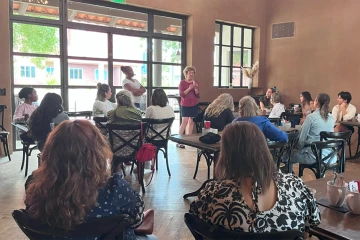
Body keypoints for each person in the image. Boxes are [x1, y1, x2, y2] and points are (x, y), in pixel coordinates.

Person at [24, 120, 157, 240]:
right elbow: (136, 220)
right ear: (97, 152)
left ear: (49, 151)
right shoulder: (115, 189)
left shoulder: (34, 185)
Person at [189, 121, 320, 233]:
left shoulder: (213, 192)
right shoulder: (295, 185)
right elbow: (314, 220)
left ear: (226, 154)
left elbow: (194, 223)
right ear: (263, 148)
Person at [288, 93, 336, 171]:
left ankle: (288, 179)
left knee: (286, 156)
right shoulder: (331, 118)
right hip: (331, 156)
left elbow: (301, 140)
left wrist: (297, 149)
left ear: (316, 101)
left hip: (313, 156)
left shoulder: (311, 117)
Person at [177, 66, 200, 148]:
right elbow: (182, 94)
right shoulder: (182, 83)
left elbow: (197, 95)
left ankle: (188, 140)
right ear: (186, 73)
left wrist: (196, 89)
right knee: (185, 121)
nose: (191, 74)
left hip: (194, 104)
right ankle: (179, 140)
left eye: (193, 73)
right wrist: (190, 88)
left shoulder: (195, 82)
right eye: (190, 73)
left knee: (191, 122)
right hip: (185, 104)